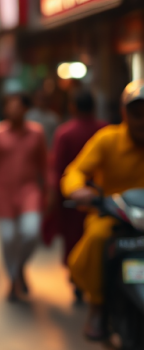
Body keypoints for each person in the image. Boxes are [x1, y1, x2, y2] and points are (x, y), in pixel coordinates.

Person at [62, 80, 144, 340]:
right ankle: (97, 307)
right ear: (124, 114)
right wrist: (77, 189)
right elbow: (76, 171)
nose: (142, 120)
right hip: (114, 216)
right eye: (136, 114)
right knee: (97, 239)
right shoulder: (107, 139)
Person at [0, 93, 48, 301]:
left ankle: (19, 268)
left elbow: (44, 165)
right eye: (10, 106)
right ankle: (13, 278)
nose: (13, 111)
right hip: (3, 192)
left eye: (17, 107)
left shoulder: (37, 133)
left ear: (26, 109)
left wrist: (50, 190)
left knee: (31, 232)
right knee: (8, 238)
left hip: (29, 191)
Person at [47, 88, 106, 303]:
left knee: (74, 239)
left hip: (74, 200)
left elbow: (59, 168)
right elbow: (73, 171)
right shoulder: (105, 131)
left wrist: (56, 194)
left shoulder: (66, 133)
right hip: (101, 199)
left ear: (73, 107)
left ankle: (79, 283)